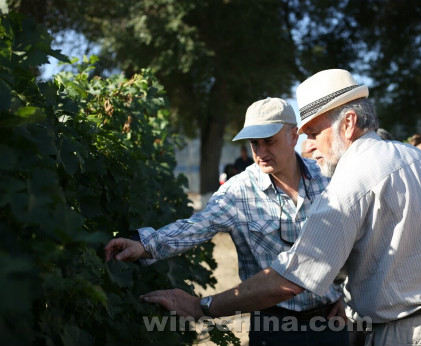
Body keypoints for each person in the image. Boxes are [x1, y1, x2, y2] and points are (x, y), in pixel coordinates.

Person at [139, 69, 421, 346]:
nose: (309, 146)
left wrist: (201, 306)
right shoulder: (413, 157)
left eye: (313, 132)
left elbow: (291, 280)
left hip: (405, 334)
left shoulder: (347, 181)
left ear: (347, 123)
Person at [104, 97, 349, 346]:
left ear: (293, 136)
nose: (261, 152)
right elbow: (198, 226)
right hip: (273, 328)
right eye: (255, 144)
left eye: (269, 142)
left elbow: (356, 241)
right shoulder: (239, 191)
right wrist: (145, 244)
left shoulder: (328, 177)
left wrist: (347, 297)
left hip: (331, 323)